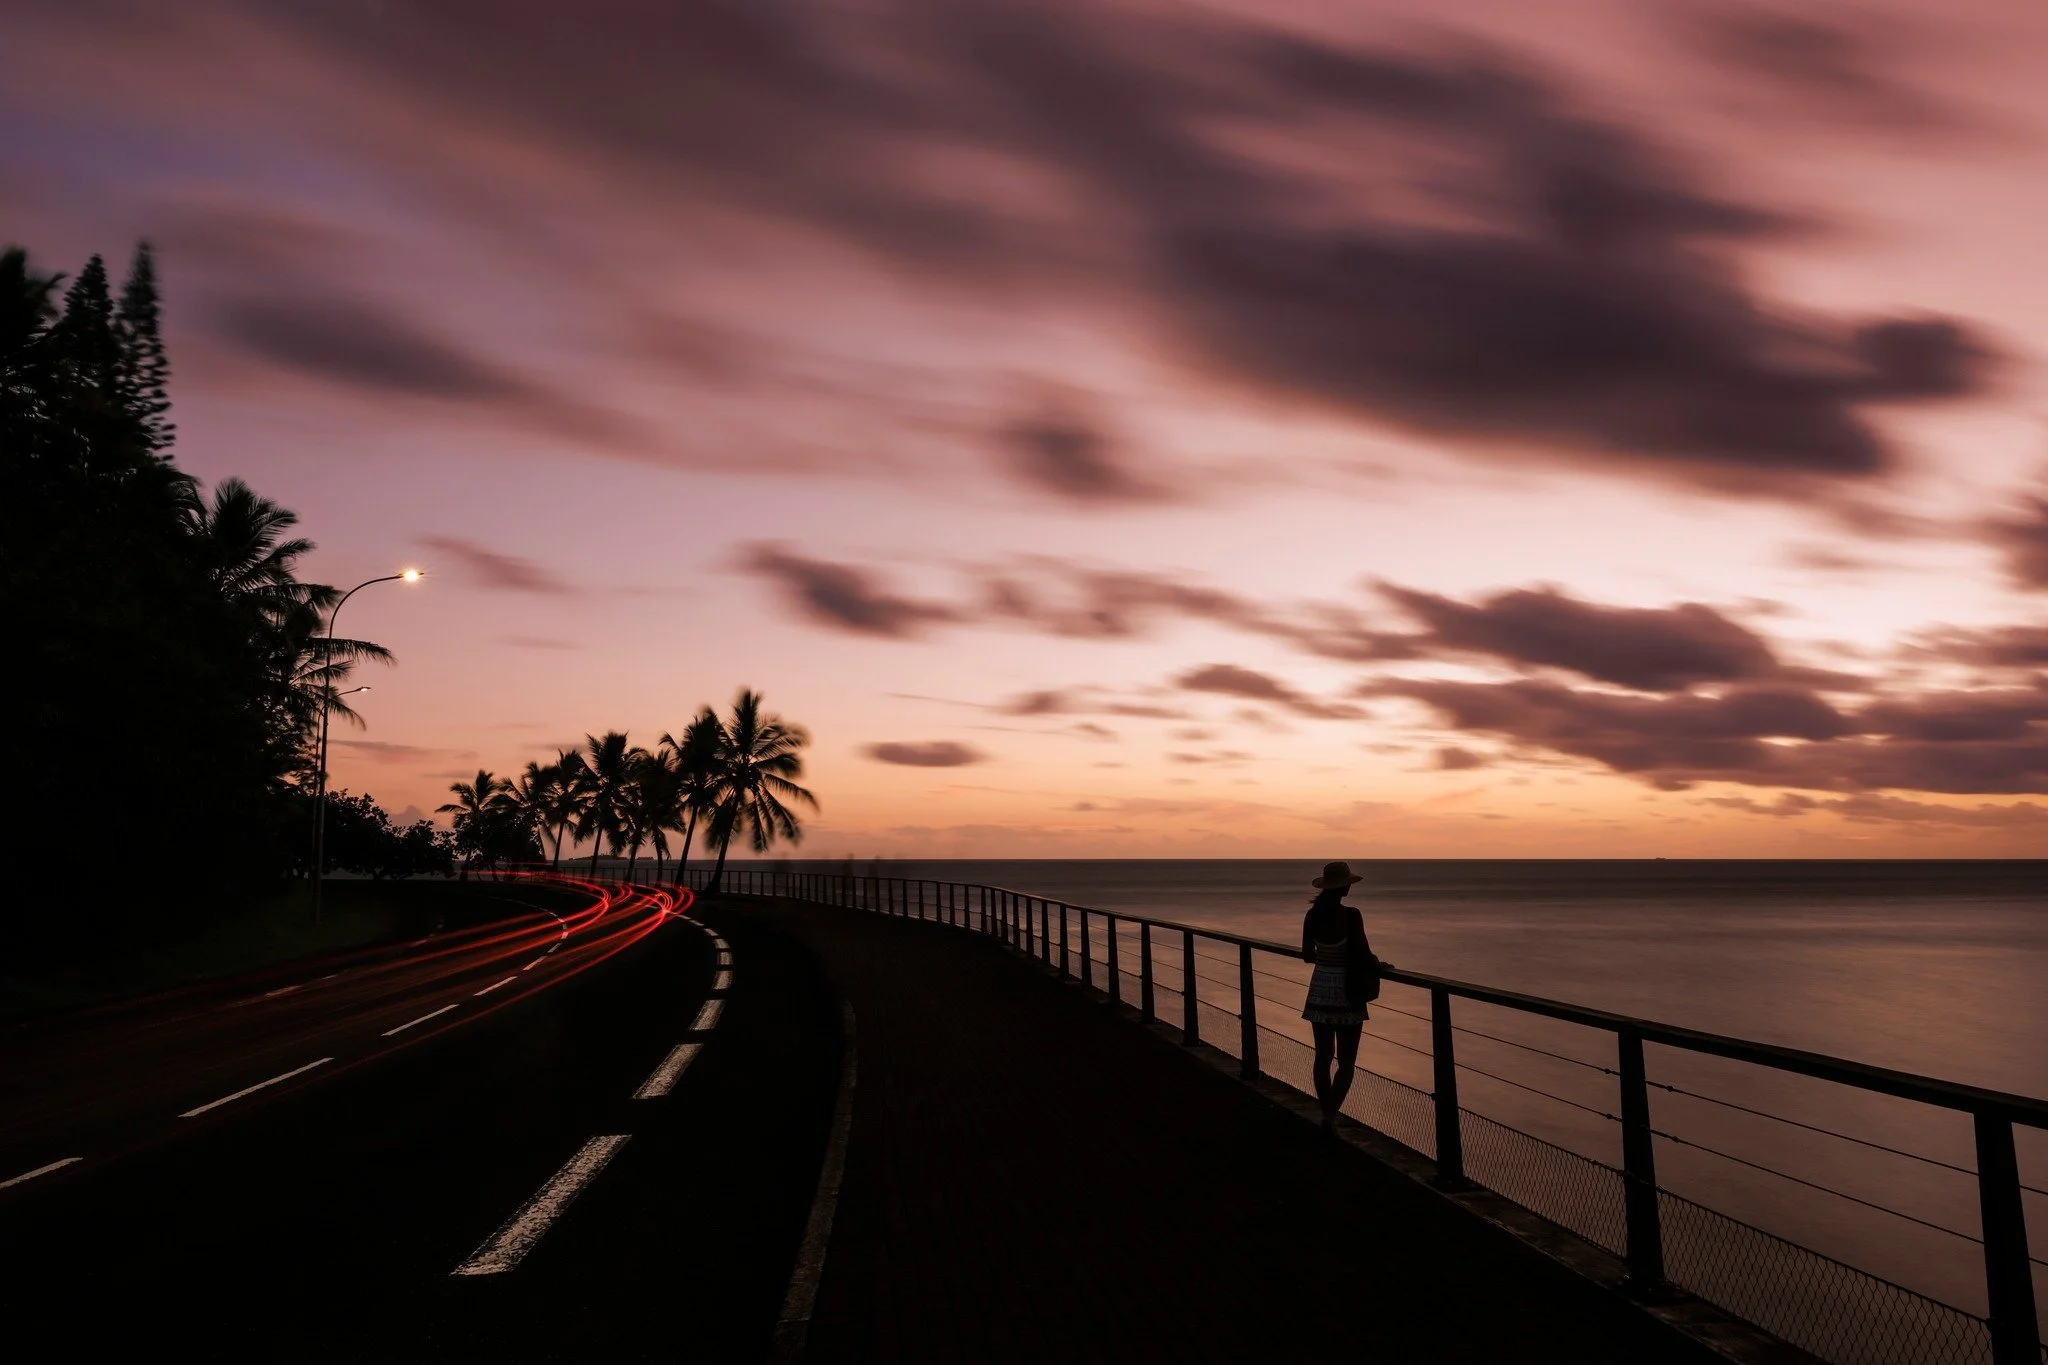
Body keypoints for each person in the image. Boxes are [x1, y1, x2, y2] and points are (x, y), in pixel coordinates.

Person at [1300, 860, 1380, 1132]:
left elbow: (1308, 955)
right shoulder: (1351, 915)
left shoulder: (1312, 915)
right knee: (1346, 1062)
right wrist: (1378, 963)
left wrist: (1327, 956)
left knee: (1322, 1057)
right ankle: (1330, 1116)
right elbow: (1363, 953)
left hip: (1320, 987)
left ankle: (1326, 1112)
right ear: (1344, 886)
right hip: (1348, 991)